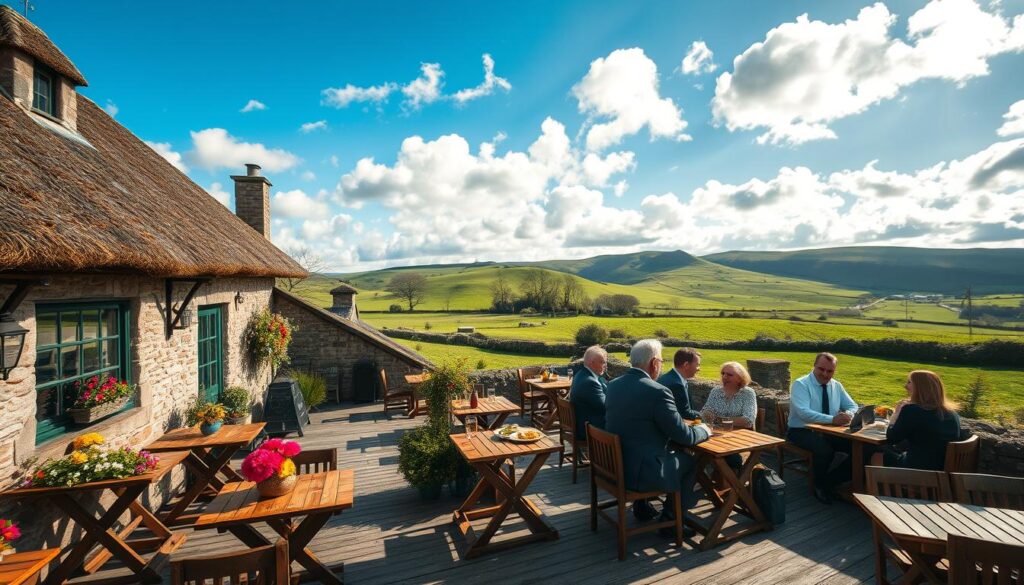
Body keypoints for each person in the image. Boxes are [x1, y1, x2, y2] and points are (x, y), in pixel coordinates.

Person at [605, 339, 711, 533]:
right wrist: (705, 430)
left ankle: (642, 506)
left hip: (613, 465)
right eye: (661, 361)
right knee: (690, 461)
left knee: (663, 450)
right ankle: (671, 518)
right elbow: (685, 436)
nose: (661, 366)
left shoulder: (613, 385)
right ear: (654, 363)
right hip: (641, 473)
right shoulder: (658, 392)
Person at [787, 352, 858, 504]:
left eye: (830, 371)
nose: (825, 374)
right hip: (801, 431)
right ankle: (819, 486)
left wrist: (848, 414)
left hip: (829, 431)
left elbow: (852, 405)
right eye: (821, 369)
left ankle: (829, 482)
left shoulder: (836, 385)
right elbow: (804, 413)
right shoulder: (801, 384)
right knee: (824, 450)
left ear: (834, 370)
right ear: (814, 366)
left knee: (860, 449)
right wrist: (832, 419)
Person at [870, 370, 962, 471]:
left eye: (909, 382)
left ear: (920, 388)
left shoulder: (912, 410)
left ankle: (878, 486)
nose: (905, 386)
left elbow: (892, 438)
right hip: (940, 469)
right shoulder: (952, 413)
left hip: (917, 472)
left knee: (877, 453)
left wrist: (896, 414)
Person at [701, 361, 758, 469]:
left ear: (740, 378)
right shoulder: (716, 391)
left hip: (739, 439)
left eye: (729, 375)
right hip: (717, 437)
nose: (724, 377)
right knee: (697, 450)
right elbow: (705, 411)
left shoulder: (748, 393)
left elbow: (748, 421)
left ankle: (733, 482)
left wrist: (719, 419)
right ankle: (713, 481)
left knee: (730, 459)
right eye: (723, 373)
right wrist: (707, 414)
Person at [570, 345, 609, 440]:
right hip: (589, 429)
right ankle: (614, 454)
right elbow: (606, 407)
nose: (605, 365)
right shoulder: (590, 382)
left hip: (583, 422)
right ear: (592, 363)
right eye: (602, 362)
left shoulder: (581, 374)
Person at [656, 348, 702, 419]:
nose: (699, 368)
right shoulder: (677, 385)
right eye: (697, 365)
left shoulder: (666, 378)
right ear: (686, 365)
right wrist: (703, 415)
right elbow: (685, 414)